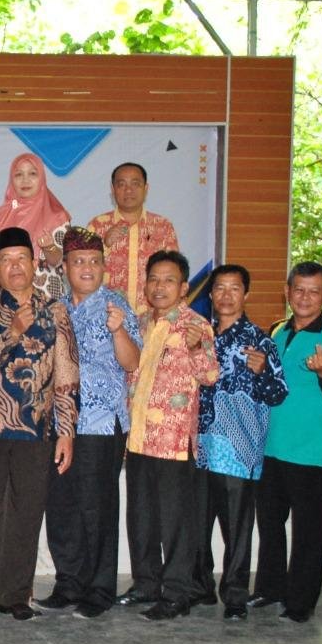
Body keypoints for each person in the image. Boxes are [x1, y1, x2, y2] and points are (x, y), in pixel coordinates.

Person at [0, 227, 78, 622]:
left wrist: (67, 431)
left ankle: (15, 595)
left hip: (37, 431)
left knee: (27, 514)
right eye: (7, 260)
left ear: (34, 264)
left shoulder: (55, 310)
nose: (15, 267)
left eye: (22, 259)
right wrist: (13, 332)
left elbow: (66, 374)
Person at [41, 227, 141, 619]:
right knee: (62, 506)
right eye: (79, 262)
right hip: (61, 424)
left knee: (97, 508)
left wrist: (118, 330)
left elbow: (131, 362)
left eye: (94, 262)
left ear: (104, 267)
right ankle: (68, 583)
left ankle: (100, 589)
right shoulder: (56, 309)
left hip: (101, 423)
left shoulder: (116, 305)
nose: (87, 268)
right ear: (65, 267)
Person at [251, 261, 322, 622]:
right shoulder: (277, 329)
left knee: (309, 530)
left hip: (311, 449)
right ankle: (269, 588)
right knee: (270, 522)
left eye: (314, 291)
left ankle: (301, 602)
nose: (306, 297)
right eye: (299, 289)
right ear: (287, 291)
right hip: (271, 445)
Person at [122, 250, 219, 621]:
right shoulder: (141, 323)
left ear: (182, 288)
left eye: (168, 281)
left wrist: (196, 348)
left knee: (175, 523)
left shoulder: (196, 326)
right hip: (139, 438)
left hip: (175, 443)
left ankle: (177, 592)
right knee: (142, 518)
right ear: (146, 285)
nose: (159, 287)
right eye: (154, 280)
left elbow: (210, 376)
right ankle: (146, 584)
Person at [192, 265, 287, 621]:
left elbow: (278, 393)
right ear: (211, 294)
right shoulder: (201, 336)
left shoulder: (261, 341)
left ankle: (234, 596)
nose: (226, 295)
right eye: (219, 288)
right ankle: (200, 587)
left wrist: (262, 372)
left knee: (237, 529)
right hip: (200, 445)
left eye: (234, 289)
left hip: (238, 448)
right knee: (197, 525)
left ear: (245, 295)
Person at [86, 162, 180, 312]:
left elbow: (175, 274)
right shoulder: (97, 225)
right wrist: (104, 246)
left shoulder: (163, 226)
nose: (128, 190)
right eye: (121, 184)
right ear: (112, 189)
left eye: (135, 184)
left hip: (151, 319)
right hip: (108, 317)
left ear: (146, 188)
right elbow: (84, 274)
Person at [0, 153, 71, 300]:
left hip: (47, 298)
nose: (25, 180)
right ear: (12, 180)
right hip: (7, 300)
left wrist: (49, 247)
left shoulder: (57, 216)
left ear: (42, 178)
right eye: (19, 175)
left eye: (32, 173)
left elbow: (60, 262)